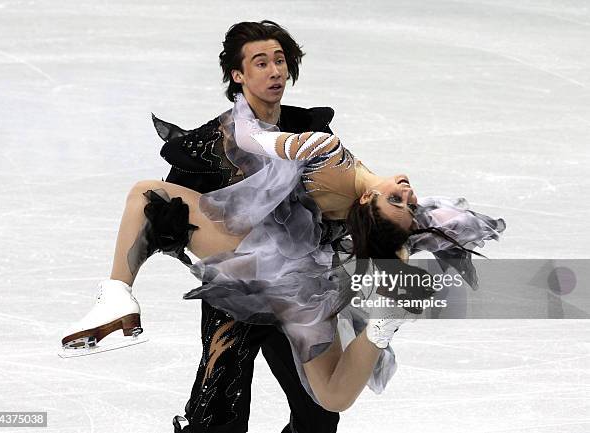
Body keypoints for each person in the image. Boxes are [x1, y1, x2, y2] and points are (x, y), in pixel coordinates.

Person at [62, 92, 505, 417]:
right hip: (304, 286)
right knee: (329, 396)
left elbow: (252, 139)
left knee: (146, 194)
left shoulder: (326, 151)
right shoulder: (378, 222)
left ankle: (118, 296)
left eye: (397, 202)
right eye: (408, 202)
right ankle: (381, 329)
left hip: (263, 253)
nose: (408, 194)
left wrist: (241, 112)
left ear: (369, 206)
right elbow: (407, 237)